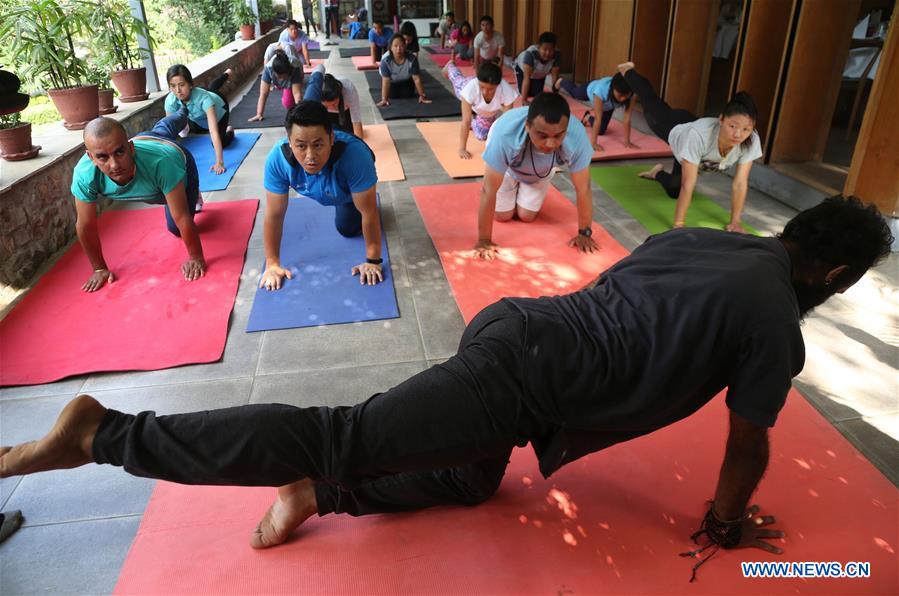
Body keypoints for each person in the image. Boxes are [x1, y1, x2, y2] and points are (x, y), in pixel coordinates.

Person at [3, 198, 891, 574]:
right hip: (519, 377)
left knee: (471, 478)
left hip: (519, 335)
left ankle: (317, 492)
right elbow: (749, 437)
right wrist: (727, 525)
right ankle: (104, 434)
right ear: (838, 271)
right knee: (340, 429)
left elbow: (641, 288)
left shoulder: (719, 240)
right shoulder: (774, 318)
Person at [71, 111, 206, 292]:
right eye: (103, 157)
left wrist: (196, 257)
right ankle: (176, 116)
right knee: (161, 130)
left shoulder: (162, 163)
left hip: (174, 155)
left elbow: (181, 217)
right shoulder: (84, 174)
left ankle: (182, 113)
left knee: (176, 228)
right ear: (91, 158)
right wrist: (99, 268)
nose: (114, 165)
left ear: (130, 148)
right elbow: (85, 225)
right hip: (148, 144)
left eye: (119, 152)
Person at [619, 62, 762, 232]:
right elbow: (689, 184)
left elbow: (739, 183)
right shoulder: (698, 136)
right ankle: (627, 71)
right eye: (733, 126)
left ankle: (656, 172)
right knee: (651, 103)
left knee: (674, 189)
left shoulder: (751, 140)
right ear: (721, 119)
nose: (738, 134)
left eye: (746, 129)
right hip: (673, 126)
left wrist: (735, 222)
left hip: (688, 146)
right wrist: (679, 226)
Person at [257, 102, 383, 290]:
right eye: (300, 146)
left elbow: (369, 212)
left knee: (347, 228)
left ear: (331, 138)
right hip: (324, 187)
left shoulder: (355, 156)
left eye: (318, 145)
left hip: (345, 193)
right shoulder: (278, 159)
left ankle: (353, 199)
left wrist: (373, 260)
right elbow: (274, 214)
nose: (310, 156)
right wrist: (272, 264)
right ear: (290, 141)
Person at [474, 92, 596, 259]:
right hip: (509, 169)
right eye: (542, 136)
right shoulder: (504, 134)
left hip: (540, 171)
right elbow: (488, 190)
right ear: (527, 126)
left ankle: (527, 187)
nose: (550, 144)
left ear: (566, 129)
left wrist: (585, 233)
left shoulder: (577, 137)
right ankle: (513, 183)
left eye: (558, 136)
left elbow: (583, 188)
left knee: (526, 216)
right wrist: (484, 240)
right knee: (503, 216)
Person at [164, 65, 234, 175]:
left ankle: (230, 130)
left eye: (182, 85)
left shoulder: (204, 99)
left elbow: (213, 131)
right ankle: (226, 74)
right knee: (211, 88)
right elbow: (169, 131)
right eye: (173, 86)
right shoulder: (170, 100)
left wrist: (219, 163)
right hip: (198, 113)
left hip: (219, 107)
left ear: (190, 84)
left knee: (222, 141)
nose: (177, 90)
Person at [443, 60, 518, 159]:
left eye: (491, 89)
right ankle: (450, 66)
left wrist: (507, 150)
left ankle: (475, 123)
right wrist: (462, 148)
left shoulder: (506, 90)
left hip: (486, 111)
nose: (485, 92)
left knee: (482, 135)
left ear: (498, 85)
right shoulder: (470, 88)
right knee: (457, 79)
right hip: (465, 85)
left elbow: (507, 122)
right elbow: (465, 121)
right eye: (482, 87)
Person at [556, 73, 637, 152]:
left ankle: (587, 117)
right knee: (575, 93)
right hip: (590, 90)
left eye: (626, 95)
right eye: (620, 95)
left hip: (608, 106)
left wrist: (627, 142)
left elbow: (627, 118)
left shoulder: (632, 95)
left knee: (601, 131)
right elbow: (598, 119)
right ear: (613, 88)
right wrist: (593, 143)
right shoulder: (601, 90)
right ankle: (562, 81)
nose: (623, 99)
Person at [303, 63, 364, 138]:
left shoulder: (348, 89)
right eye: (327, 106)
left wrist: (360, 145)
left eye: (335, 104)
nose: (333, 108)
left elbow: (356, 121)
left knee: (349, 135)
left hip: (345, 112)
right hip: (327, 115)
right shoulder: (314, 96)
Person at [248, 45, 304, 122]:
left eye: (283, 77)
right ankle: (279, 85)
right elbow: (263, 94)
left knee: (288, 103)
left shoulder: (295, 68)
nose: (281, 78)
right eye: (279, 77)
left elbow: (297, 93)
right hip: (275, 80)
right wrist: (259, 113)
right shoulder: (268, 69)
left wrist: (299, 113)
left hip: (292, 78)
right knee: (278, 87)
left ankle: (286, 89)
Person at [376, 35, 432, 107]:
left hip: (406, 80)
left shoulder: (412, 59)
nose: (398, 49)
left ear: (405, 46)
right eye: (395, 46)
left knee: (407, 95)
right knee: (393, 96)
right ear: (391, 47)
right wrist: (384, 99)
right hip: (392, 81)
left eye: (401, 46)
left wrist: (422, 95)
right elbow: (386, 81)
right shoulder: (385, 61)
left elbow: (416, 79)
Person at [514, 32, 561, 103]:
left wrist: (555, 99)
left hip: (540, 73)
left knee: (537, 94)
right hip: (522, 69)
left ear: (554, 48)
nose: (548, 53)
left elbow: (554, 78)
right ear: (539, 47)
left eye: (551, 50)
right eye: (545, 49)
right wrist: (524, 100)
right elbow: (526, 78)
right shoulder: (530, 54)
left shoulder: (557, 55)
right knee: (524, 92)